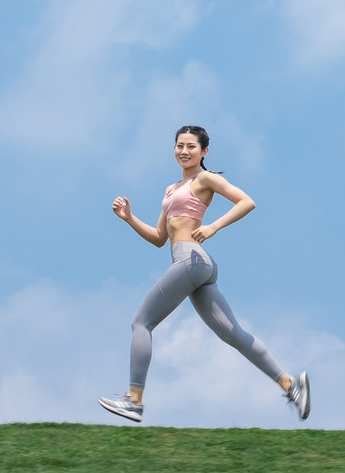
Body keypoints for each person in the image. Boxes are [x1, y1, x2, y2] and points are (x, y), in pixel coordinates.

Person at [98, 125, 309, 424]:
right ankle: (291, 385)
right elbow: (160, 238)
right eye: (179, 146)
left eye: (191, 147)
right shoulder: (172, 190)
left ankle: (134, 400)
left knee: (141, 323)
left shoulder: (205, 178)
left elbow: (247, 201)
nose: (184, 151)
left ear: (204, 151)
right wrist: (130, 218)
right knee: (233, 334)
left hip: (191, 260)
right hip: (195, 264)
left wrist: (213, 227)